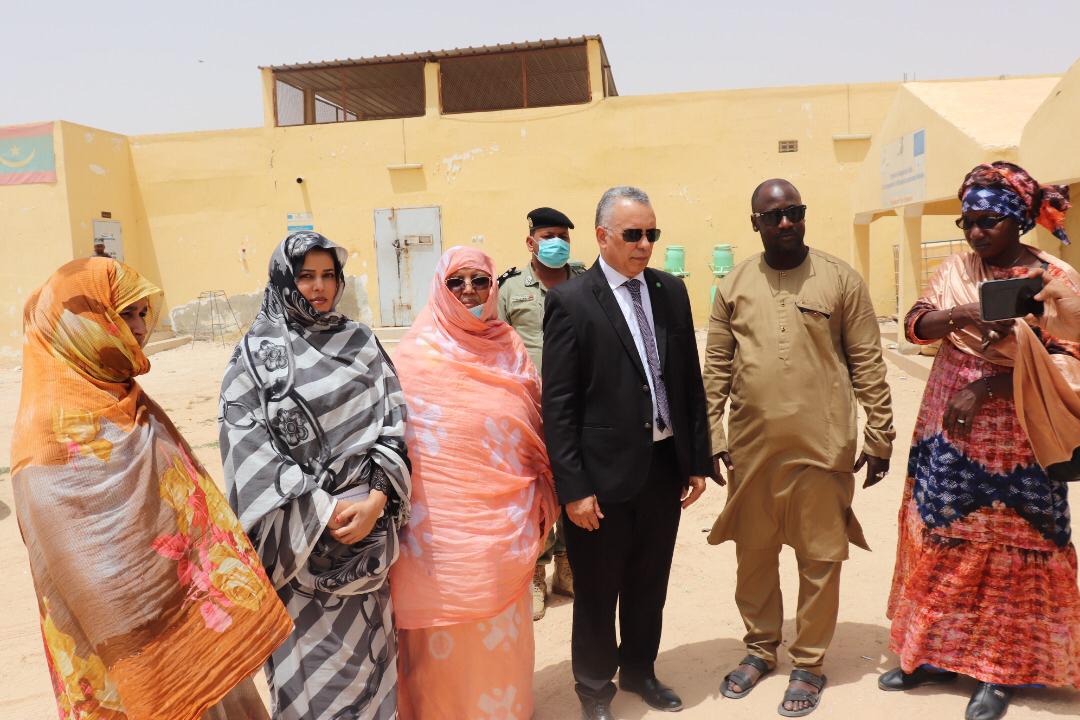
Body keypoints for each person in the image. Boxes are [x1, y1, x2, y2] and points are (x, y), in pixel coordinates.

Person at [11, 257, 291, 720]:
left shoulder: (126, 397)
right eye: (126, 314)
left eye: (143, 313)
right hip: (132, 643)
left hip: (189, 621)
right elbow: (77, 571)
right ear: (82, 323)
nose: (141, 327)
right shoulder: (45, 439)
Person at [882, 161, 1080, 720]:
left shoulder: (1053, 278)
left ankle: (998, 671)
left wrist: (990, 386)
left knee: (1014, 546)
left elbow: (1071, 358)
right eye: (967, 221)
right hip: (949, 434)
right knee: (944, 533)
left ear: (1018, 220)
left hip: (1022, 440)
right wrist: (963, 313)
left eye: (987, 221)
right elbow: (916, 325)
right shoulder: (956, 269)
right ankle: (935, 655)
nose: (975, 232)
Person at [703, 178, 894, 717]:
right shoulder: (734, 285)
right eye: (773, 215)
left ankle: (809, 662)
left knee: (820, 556)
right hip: (752, 448)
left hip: (822, 444)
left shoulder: (840, 278)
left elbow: (867, 360)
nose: (786, 222)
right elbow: (716, 366)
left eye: (794, 211)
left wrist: (880, 433)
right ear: (755, 223)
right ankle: (760, 648)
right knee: (754, 554)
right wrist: (712, 435)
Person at [219, 231, 412, 720]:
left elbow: (393, 422)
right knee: (311, 680)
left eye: (328, 275)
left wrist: (376, 501)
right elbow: (248, 451)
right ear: (284, 280)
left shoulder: (361, 341)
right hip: (299, 548)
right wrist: (324, 511)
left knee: (373, 669)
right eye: (306, 276)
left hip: (368, 542)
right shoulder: (255, 357)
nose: (319, 287)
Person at [542, 186, 711, 720]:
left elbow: (688, 381)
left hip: (661, 467)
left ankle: (640, 669)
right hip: (600, 477)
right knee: (597, 591)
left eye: (651, 234)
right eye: (633, 234)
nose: (645, 244)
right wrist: (574, 489)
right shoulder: (571, 301)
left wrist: (696, 459)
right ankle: (595, 690)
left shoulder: (670, 291)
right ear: (601, 236)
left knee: (649, 581)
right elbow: (559, 406)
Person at [390, 246, 556, 720]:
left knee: (498, 633)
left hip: (504, 523)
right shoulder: (414, 354)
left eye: (480, 281)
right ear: (439, 288)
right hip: (436, 534)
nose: (469, 290)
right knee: (442, 646)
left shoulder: (509, 347)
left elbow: (533, 420)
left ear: (493, 288)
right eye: (456, 281)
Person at [498, 205, 584, 620]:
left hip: (579, 405)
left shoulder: (585, 281)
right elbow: (494, 343)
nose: (557, 244)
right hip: (529, 407)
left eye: (563, 238)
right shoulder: (510, 289)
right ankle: (536, 570)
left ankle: (567, 565)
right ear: (530, 242)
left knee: (575, 483)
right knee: (535, 491)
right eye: (548, 237)